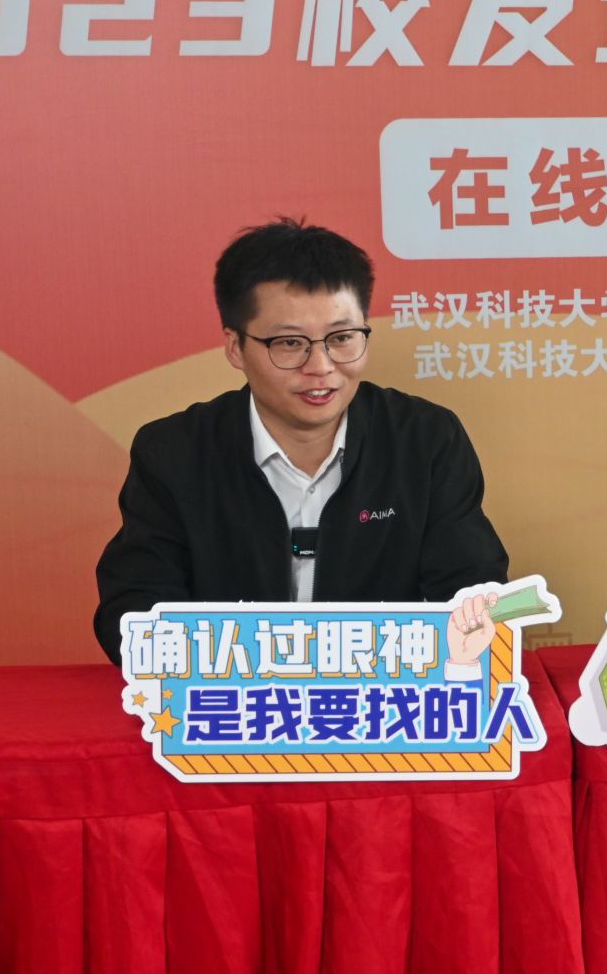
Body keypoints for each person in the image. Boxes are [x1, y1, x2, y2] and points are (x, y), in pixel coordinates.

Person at [94, 219, 508, 663]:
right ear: (235, 347)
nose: (321, 366)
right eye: (290, 343)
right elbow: (134, 611)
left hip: (380, 692)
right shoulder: (174, 453)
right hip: (235, 694)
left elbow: (472, 590)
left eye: (342, 338)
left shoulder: (424, 440)